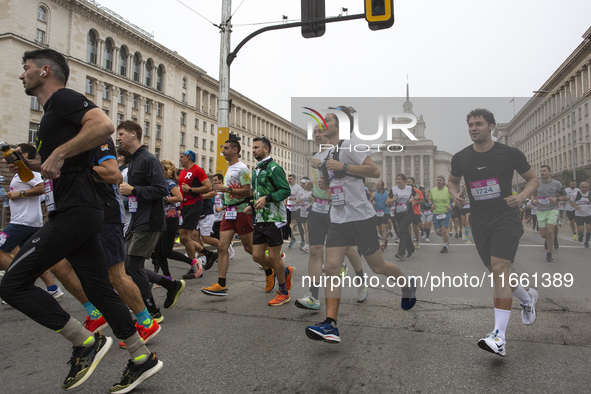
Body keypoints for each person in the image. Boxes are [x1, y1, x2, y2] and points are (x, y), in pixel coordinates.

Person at [0, 48, 161, 392]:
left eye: (25, 68)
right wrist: (29, 166)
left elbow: (103, 124)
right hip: (78, 210)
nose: (21, 74)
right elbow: (53, 171)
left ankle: (85, 342)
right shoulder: (52, 116)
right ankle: (141, 357)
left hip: (77, 211)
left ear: (45, 71)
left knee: (12, 284)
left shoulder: (63, 98)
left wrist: (59, 153)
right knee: (99, 288)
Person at [304, 106, 416, 343]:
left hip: (361, 217)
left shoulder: (350, 147)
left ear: (340, 126)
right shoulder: (326, 154)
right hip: (338, 218)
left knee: (378, 266)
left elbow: (374, 171)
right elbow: (330, 179)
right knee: (332, 267)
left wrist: (343, 167)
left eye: (329, 120)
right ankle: (330, 324)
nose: (324, 123)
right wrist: (326, 181)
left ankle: (407, 284)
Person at [49, 137, 163, 349]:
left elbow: (114, 175)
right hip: (76, 214)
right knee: (60, 266)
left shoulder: (97, 137)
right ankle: (95, 313)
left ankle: (146, 322)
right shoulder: (63, 141)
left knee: (116, 275)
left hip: (106, 215)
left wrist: (72, 167)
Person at [448, 108, 539, 357]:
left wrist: (521, 196)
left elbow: (533, 179)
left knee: (499, 269)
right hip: (479, 219)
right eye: (470, 125)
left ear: (491, 127)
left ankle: (499, 337)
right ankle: (528, 298)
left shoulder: (509, 153)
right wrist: (454, 193)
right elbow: (452, 180)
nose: (473, 128)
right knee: (497, 271)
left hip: (505, 217)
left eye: (478, 124)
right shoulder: (461, 157)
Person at [118, 121, 186, 321]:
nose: (118, 137)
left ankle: (152, 312)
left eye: (121, 133)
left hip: (150, 220)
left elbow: (161, 190)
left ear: (133, 135)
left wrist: (133, 190)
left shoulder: (148, 159)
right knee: (129, 267)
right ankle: (171, 285)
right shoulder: (134, 161)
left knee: (133, 266)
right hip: (137, 218)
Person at [296, 125, 368, 310]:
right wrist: (312, 186)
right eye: (315, 133)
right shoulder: (315, 157)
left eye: (321, 132)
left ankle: (361, 281)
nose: (318, 136)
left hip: (336, 209)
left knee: (348, 250)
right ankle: (313, 296)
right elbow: (321, 181)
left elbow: (349, 179)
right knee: (315, 251)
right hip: (317, 208)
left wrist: (327, 181)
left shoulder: (339, 154)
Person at [0, 142, 64, 299]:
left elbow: (43, 187)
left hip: (22, 222)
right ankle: (53, 288)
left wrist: (20, 194)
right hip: (27, 222)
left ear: (24, 155)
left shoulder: (27, 170)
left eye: (11, 154)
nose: (4, 159)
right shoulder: (19, 172)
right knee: (30, 258)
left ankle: (20, 284)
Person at [203, 139, 259, 296]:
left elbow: (248, 191)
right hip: (229, 212)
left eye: (226, 148)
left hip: (241, 211)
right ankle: (221, 285)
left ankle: (272, 268)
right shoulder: (229, 169)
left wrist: (226, 189)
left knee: (249, 248)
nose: (222, 151)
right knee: (222, 247)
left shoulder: (242, 169)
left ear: (235, 150)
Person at [244, 136, 296, 306]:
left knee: (274, 257)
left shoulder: (274, 168)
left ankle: (283, 292)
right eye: (253, 147)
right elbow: (258, 194)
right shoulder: (256, 170)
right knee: (257, 256)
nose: (253, 150)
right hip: (259, 218)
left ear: (266, 149)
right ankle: (285, 271)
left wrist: (267, 198)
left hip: (274, 219)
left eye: (256, 147)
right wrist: (252, 205)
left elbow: (285, 190)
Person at [151, 160, 195, 279]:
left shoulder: (169, 182)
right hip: (160, 219)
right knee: (157, 250)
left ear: (165, 170)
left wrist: (165, 200)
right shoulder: (159, 182)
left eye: (160, 168)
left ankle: (193, 263)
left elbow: (179, 197)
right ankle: (167, 276)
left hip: (170, 219)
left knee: (166, 251)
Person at [176, 150, 217, 277]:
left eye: (182, 157)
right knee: (183, 237)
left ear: (189, 157)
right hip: (184, 206)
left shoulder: (197, 170)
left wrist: (191, 189)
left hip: (194, 205)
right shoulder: (182, 172)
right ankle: (207, 254)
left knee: (187, 237)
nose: (180, 159)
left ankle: (196, 267)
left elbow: (208, 187)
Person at [534, 165, 566, 262]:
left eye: (544, 171)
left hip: (552, 209)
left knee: (550, 230)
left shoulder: (557, 184)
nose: (542, 173)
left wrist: (556, 199)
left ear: (550, 172)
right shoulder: (537, 183)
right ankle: (550, 239)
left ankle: (549, 253)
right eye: (541, 171)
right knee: (544, 234)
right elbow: (532, 193)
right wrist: (533, 200)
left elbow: (564, 196)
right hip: (541, 210)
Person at [388, 173, 419, 259]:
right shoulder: (394, 189)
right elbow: (387, 201)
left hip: (408, 212)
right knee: (404, 231)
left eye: (400, 179)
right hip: (398, 213)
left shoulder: (409, 188)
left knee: (402, 230)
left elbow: (418, 195)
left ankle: (401, 253)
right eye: (397, 179)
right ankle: (411, 249)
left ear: (404, 180)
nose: (398, 181)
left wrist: (413, 199)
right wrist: (392, 200)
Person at [430, 175, 453, 253]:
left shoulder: (448, 190)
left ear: (444, 181)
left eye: (440, 180)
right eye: (437, 180)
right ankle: (446, 237)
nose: (438, 181)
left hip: (445, 213)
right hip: (436, 213)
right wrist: (431, 205)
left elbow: (454, 199)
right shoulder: (433, 190)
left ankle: (445, 245)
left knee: (444, 230)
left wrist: (451, 206)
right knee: (437, 232)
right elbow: (430, 200)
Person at [570, 181, 591, 248]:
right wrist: (575, 206)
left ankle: (587, 242)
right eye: (583, 187)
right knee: (581, 228)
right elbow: (571, 201)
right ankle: (580, 234)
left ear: (588, 188)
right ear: (580, 187)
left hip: (588, 214)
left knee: (589, 227)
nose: (584, 189)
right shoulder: (576, 194)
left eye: (586, 187)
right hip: (579, 215)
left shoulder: (589, 195)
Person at [370, 180, 390, 251]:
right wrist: (372, 203)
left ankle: (383, 244)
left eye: (378, 185)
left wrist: (388, 202)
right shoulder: (374, 194)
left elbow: (391, 201)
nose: (377, 187)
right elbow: (370, 202)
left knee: (384, 227)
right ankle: (385, 239)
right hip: (377, 212)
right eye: (376, 185)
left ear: (382, 186)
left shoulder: (387, 193)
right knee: (379, 229)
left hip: (385, 211)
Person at [287, 174, 305, 248]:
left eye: (290, 179)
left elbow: (301, 198)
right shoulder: (287, 187)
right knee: (285, 225)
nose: (289, 180)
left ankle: (303, 241)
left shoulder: (298, 188)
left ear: (294, 179)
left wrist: (294, 198)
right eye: (288, 179)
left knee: (299, 225)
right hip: (288, 208)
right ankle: (293, 239)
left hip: (296, 208)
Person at [406, 177, 424, 248]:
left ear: (413, 183)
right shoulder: (405, 191)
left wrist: (415, 202)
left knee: (415, 227)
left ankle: (417, 240)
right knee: (406, 227)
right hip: (406, 212)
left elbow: (422, 201)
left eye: (409, 182)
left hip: (415, 212)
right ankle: (409, 241)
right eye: (407, 182)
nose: (408, 183)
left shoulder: (417, 191)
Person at [298, 178, 312, 253]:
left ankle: (306, 246)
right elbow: (297, 200)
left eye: (304, 183)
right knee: (306, 229)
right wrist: (299, 201)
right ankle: (309, 243)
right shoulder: (300, 192)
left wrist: (311, 199)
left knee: (307, 229)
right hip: (302, 212)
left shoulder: (312, 191)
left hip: (309, 211)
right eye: (302, 183)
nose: (302, 185)